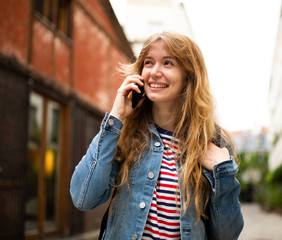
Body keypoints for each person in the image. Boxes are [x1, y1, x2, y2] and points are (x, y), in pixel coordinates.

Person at [70, 31, 244, 240]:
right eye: (149, 62)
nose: (154, 72)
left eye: (168, 63)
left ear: (188, 76)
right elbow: (83, 198)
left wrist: (222, 172)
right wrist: (115, 118)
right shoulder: (124, 133)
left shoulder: (213, 143)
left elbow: (227, 235)